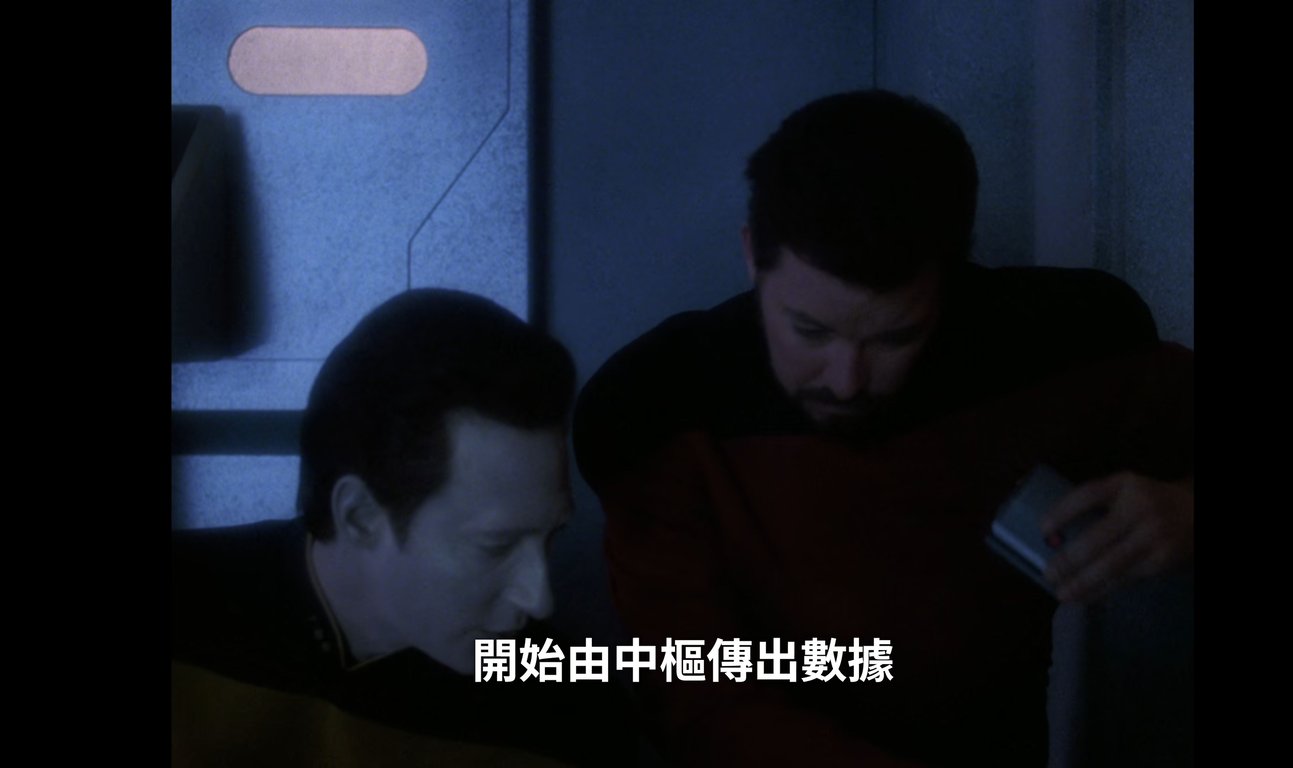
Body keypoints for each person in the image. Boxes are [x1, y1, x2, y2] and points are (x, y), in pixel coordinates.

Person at [573, 90, 1193, 766]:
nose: (847, 380)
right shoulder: (665, 408)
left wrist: (1186, 511)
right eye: (810, 331)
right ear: (753, 255)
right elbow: (696, 693)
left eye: (895, 336)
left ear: (950, 283)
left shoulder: (1062, 345)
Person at [173, 289, 633, 766]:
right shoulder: (186, 606)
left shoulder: (568, 709)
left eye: (550, 535)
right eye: (495, 546)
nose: (539, 598)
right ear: (360, 516)